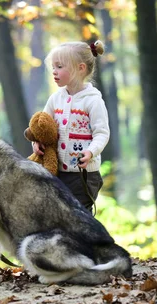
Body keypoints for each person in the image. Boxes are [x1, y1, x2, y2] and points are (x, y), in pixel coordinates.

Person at [29, 40, 109, 213]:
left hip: (83, 176)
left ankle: (85, 240)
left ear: (80, 68)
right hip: (58, 172)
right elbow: (41, 126)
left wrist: (90, 152)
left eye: (59, 67)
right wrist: (37, 143)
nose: (54, 72)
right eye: (53, 67)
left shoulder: (93, 101)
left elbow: (102, 133)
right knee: (57, 215)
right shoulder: (55, 99)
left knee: (78, 217)